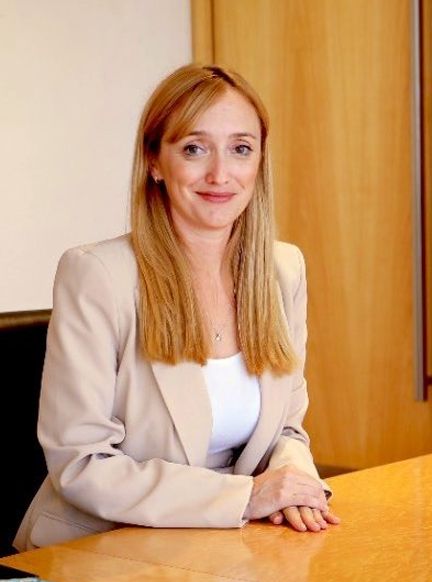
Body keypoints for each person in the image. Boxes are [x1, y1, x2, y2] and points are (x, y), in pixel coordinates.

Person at [14, 65, 338, 551]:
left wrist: (295, 482)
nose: (220, 174)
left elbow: (287, 429)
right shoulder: (98, 275)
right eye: (194, 148)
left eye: (241, 149)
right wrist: (245, 497)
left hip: (233, 549)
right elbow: (81, 465)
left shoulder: (282, 269)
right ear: (154, 162)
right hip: (104, 552)